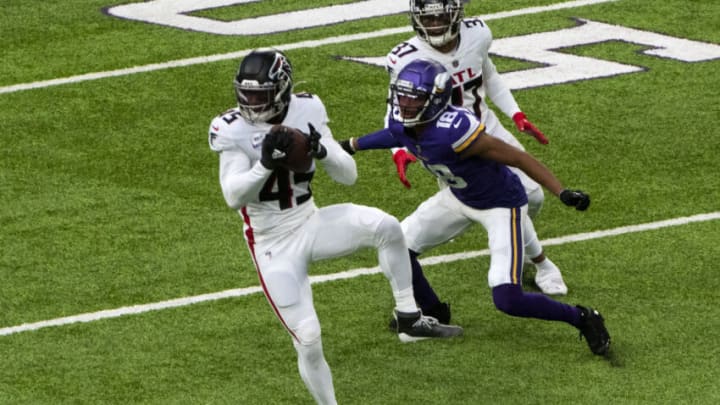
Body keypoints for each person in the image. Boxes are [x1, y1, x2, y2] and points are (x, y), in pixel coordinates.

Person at [207, 49, 462, 405]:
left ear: (281, 88)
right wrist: (265, 164)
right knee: (308, 339)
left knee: (387, 227)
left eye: (261, 94)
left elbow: (349, 175)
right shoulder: (232, 130)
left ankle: (409, 317)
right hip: (271, 241)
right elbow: (233, 197)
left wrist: (322, 151)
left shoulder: (307, 109)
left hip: (310, 219)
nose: (252, 102)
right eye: (247, 94)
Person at [340, 58, 610, 355]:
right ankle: (433, 311)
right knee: (396, 247)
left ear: (435, 99)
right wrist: (351, 144)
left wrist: (561, 191)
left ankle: (582, 317)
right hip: (458, 196)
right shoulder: (404, 118)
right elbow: (395, 134)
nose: (404, 104)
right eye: (401, 95)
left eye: (414, 98)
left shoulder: (454, 129)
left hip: (500, 205)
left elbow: (519, 158)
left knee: (508, 299)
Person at [384, 0, 568, 306]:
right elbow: (395, 109)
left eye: (441, 16)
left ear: (456, 14)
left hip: (486, 128)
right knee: (492, 198)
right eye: (427, 19)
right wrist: (398, 150)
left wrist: (516, 114)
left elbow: (490, 76)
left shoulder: (478, 34)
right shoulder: (404, 57)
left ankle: (520, 252)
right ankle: (540, 262)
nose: (435, 25)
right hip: (445, 142)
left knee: (532, 197)